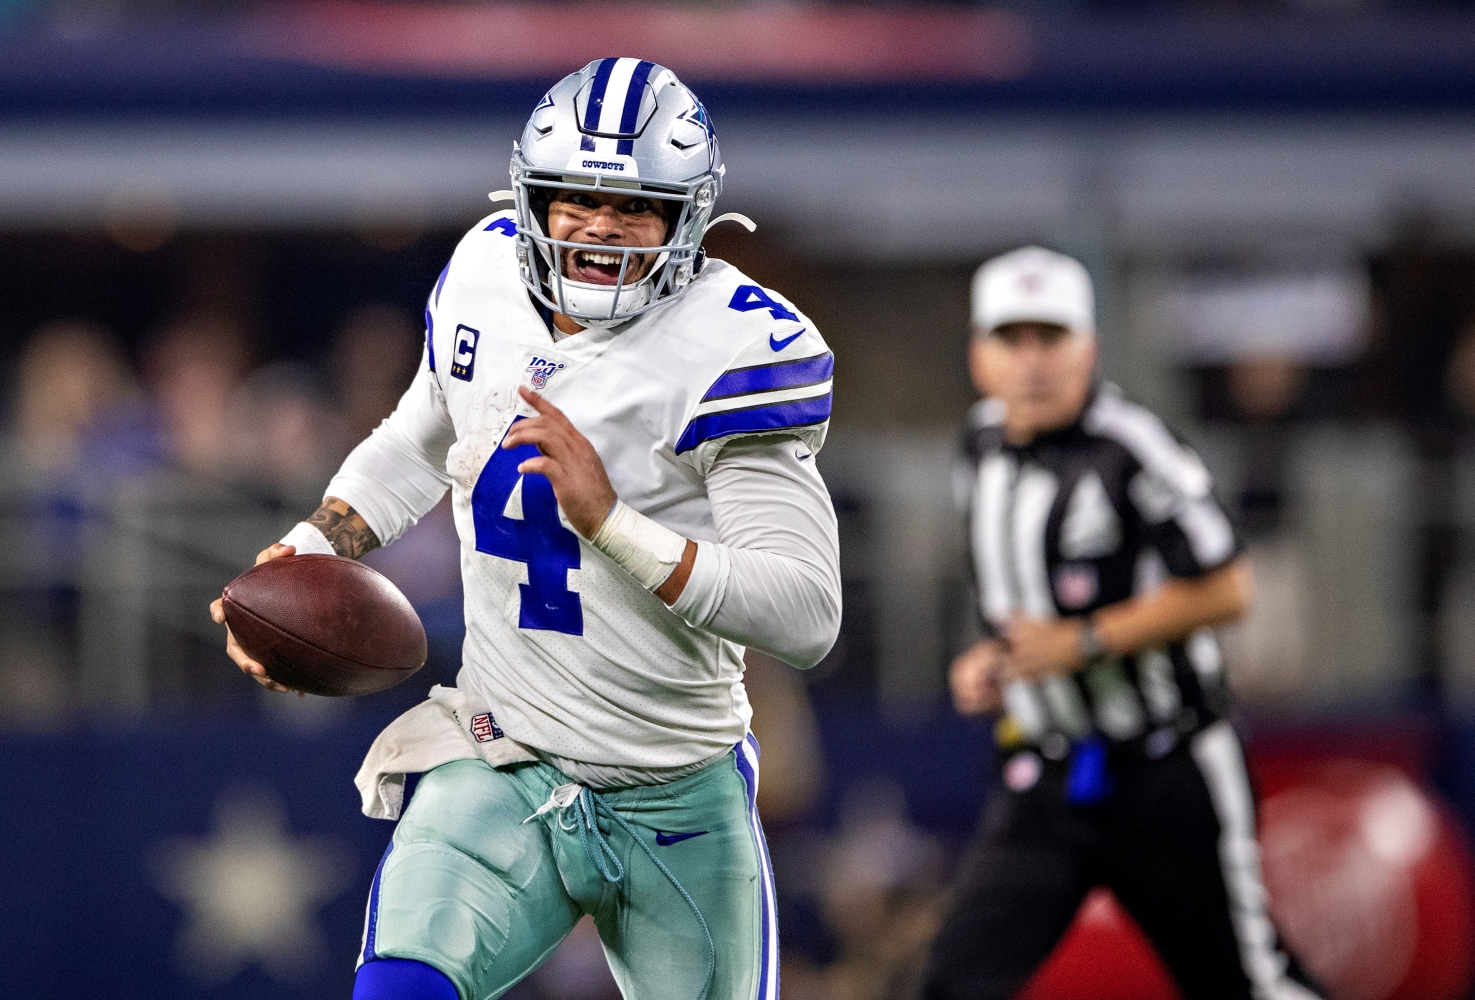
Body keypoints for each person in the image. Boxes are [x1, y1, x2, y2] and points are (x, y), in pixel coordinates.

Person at [209, 58, 841, 1000]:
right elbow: (421, 436)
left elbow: (806, 614)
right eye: (575, 197)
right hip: (505, 750)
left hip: (676, 784)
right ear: (530, 194)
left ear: (689, 219)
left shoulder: (740, 346)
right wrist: (305, 555)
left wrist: (611, 522)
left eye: (635, 208)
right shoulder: (484, 272)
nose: (599, 227)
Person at [919, 247, 1320, 1000]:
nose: (1033, 362)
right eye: (1013, 339)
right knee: (951, 983)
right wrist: (996, 660)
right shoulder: (979, 449)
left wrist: (1085, 642)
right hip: (1047, 775)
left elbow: (1230, 586)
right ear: (979, 357)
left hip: (1165, 769)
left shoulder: (1133, 449)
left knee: (1249, 983)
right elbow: (1022, 596)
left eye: (1052, 338)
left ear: (1089, 349)